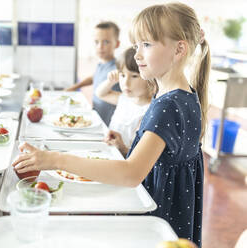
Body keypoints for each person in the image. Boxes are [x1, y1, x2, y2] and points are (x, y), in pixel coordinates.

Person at [13, 2, 210, 247]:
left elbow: (130, 174)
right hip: (170, 213)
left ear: (179, 49)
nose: (137, 54)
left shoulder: (168, 105)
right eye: (137, 45)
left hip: (156, 217)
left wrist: (53, 160)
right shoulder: (186, 95)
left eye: (146, 45)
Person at [95, 47, 157, 156]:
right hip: (108, 153)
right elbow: (100, 94)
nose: (126, 83)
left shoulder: (150, 110)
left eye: (134, 76)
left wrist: (123, 148)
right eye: (122, 75)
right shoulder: (124, 99)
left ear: (150, 78)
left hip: (124, 161)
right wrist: (110, 81)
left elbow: (141, 157)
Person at [66, 21, 121, 125]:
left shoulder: (118, 69)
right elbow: (94, 78)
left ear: (117, 44)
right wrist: (75, 86)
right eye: (96, 42)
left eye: (106, 42)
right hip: (97, 118)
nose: (100, 46)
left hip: (109, 125)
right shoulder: (101, 64)